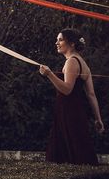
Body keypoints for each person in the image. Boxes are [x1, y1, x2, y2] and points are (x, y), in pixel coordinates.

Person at [39, 28, 104, 165]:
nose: (57, 43)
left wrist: (49, 74)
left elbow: (67, 89)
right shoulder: (83, 63)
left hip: (68, 112)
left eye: (60, 39)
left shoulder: (72, 62)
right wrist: (98, 119)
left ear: (72, 43)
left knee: (67, 153)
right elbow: (91, 94)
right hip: (76, 112)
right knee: (78, 149)